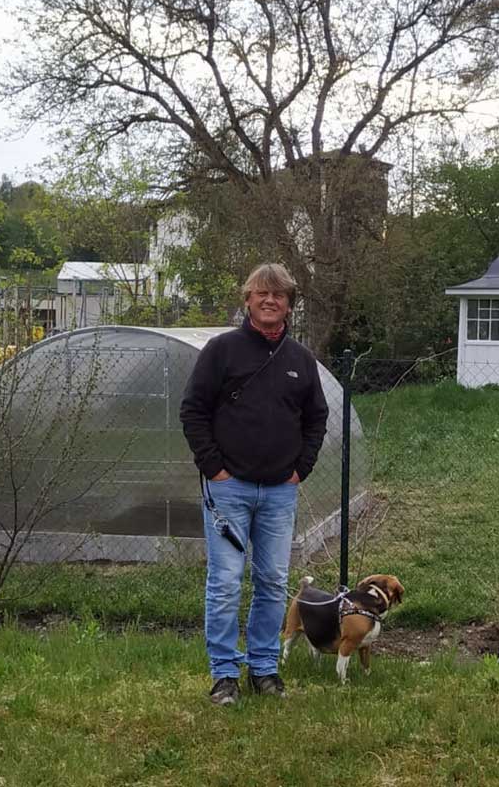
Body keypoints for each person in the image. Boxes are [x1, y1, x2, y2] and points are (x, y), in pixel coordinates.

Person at [180, 262, 329, 706]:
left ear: (289, 305)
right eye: (261, 293)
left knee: (272, 580)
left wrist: (300, 468)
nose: (270, 301)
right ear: (247, 300)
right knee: (225, 581)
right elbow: (193, 411)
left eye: (279, 295)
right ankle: (224, 674)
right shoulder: (222, 350)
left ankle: (264, 668)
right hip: (229, 489)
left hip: (280, 492)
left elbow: (316, 419)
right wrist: (214, 468)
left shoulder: (300, 360)